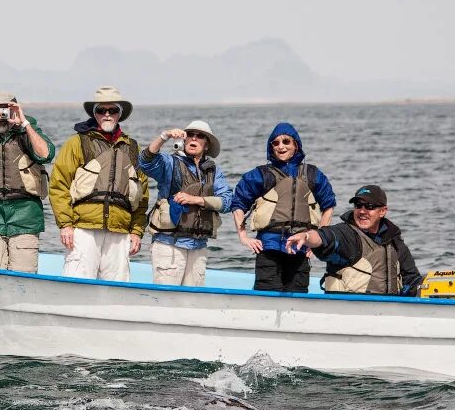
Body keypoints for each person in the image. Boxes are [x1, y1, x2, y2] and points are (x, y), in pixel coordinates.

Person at [48, 86, 149, 281]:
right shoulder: (77, 142)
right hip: (84, 228)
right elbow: (59, 185)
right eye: (102, 110)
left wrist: (137, 231)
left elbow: (142, 195)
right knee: (77, 283)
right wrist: (65, 225)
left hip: (120, 231)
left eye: (113, 110)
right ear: (95, 114)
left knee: (118, 287)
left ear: (120, 114)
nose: (107, 115)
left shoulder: (132, 148)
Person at [231, 123, 337, 292]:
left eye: (286, 141)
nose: (281, 146)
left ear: (296, 144)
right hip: (268, 248)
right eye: (276, 143)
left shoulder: (312, 174)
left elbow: (329, 205)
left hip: (300, 248)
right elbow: (238, 203)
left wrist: (318, 239)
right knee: (267, 295)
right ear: (271, 147)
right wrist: (243, 236)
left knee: (298, 297)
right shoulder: (260, 175)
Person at [0, 92, 55, 272]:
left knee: (24, 272)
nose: (3, 113)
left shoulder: (29, 131)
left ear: (16, 108)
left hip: (25, 215)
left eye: (8, 108)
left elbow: (46, 154)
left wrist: (24, 124)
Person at [139, 120, 232, 286]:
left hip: (199, 246)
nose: (194, 139)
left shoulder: (214, 171)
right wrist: (164, 136)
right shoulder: (169, 163)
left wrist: (197, 200)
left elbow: (227, 202)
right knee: (166, 300)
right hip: (169, 245)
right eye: (190, 135)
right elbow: (145, 162)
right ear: (184, 139)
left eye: (200, 136)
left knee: (193, 302)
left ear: (207, 145)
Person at [285, 185, 422, 295]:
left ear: (382, 211)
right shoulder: (347, 234)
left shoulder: (394, 241)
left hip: (388, 311)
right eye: (358, 205)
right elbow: (327, 237)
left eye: (369, 206)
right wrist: (307, 236)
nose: (362, 211)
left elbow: (412, 279)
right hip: (349, 312)